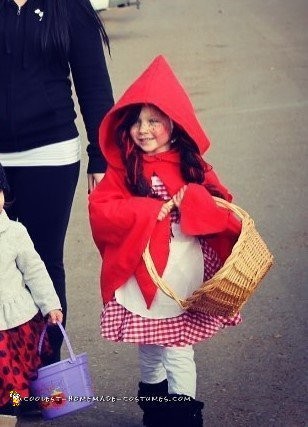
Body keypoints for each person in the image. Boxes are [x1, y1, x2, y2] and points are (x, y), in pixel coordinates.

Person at [88, 55, 242, 427]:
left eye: (153, 120)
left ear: (173, 125)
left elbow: (223, 207)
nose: (143, 129)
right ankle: (156, 412)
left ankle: (182, 416)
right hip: (143, 274)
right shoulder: (125, 168)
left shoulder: (191, 166)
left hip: (181, 275)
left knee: (178, 350)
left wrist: (190, 198)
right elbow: (101, 208)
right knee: (151, 349)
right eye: (137, 121)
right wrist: (146, 211)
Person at [0, 0, 114, 365]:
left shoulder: (68, 8)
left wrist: (102, 154)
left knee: (43, 262)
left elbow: (94, 84)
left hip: (51, 155)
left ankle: (43, 369)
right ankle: (9, 370)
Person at [0, 163, 63, 420]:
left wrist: (50, 304)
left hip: (13, 324)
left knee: (12, 380)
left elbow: (35, 270)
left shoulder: (14, 232)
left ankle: (10, 412)